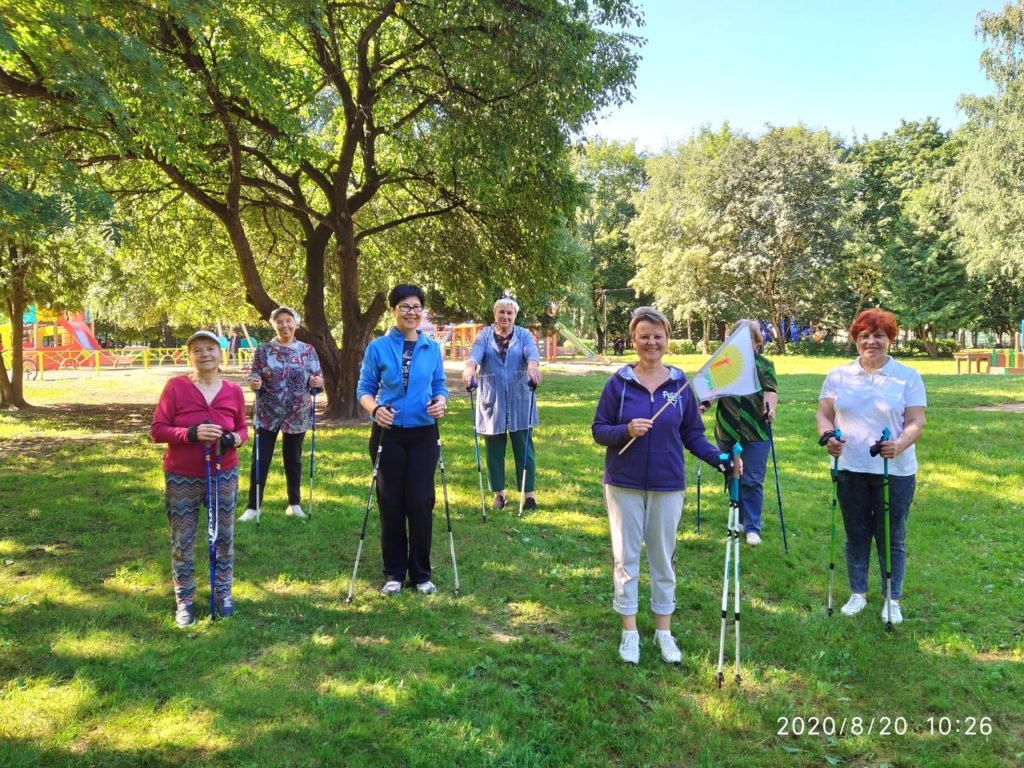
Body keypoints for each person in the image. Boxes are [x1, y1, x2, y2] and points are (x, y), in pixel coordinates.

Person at [592, 307, 738, 665]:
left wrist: (719, 459)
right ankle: (629, 632)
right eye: (644, 336)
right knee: (626, 558)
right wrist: (626, 430)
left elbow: (693, 434)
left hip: (667, 483)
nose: (651, 342)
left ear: (667, 339)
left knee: (662, 560)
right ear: (634, 339)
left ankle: (663, 631)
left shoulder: (680, 385)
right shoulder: (618, 383)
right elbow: (599, 430)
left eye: (658, 336)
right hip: (623, 483)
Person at [815, 309, 926, 626]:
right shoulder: (839, 375)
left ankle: (892, 599)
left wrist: (899, 444)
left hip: (895, 470)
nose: (871, 342)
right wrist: (827, 436)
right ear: (855, 340)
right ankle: (857, 593)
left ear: (890, 339)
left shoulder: (907, 376)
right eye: (864, 336)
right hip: (849, 466)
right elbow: (824, 413)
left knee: (892, 537)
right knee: (856, 533)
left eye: (879, 335)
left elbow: (916, 421)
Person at [150, 330, 248, 627]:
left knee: (224, 536)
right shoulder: (175, 387)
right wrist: (190, 434)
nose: (205, 354)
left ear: (220, 353)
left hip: (223, 472)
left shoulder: (233, 390)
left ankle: (223, 593)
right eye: (198, 350)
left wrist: (234, 439)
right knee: (183, 539)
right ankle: (185, 600)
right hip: (182, 475)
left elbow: (243, 429)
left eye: (210, 348)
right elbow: (158, 430)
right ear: (189, 356)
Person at [357, 284, 449, 596]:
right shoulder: (378, 348)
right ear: (393, 310)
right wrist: (375, 409)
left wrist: (440, 402)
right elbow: (364, 389)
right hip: (389, 433)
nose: (411, 312)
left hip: (424, 434)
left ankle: (421, 574)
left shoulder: (432, 348)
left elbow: (440, 385)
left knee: (420, 501)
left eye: (416, 307)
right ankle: (394, 572)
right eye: (405, 307)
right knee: (391, 501)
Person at [238, 306, 324, 522]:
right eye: (279, 322)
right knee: (260, 459)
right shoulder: (263, 350)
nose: (284, 325)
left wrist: (317, 382)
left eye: (288, 320)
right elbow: (254, 376)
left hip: (297, 414)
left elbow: (317, 378)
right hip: (267, 413)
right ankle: (253, 507)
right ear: (274, 325)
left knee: (293, 459)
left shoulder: (307, 350)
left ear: (296, 323)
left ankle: (294, 504)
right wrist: (253, 382)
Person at [461, 296, 542, 510]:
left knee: (524, 448)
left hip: (519, 397)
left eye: (509, 313)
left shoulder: (524, 335)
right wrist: (470, 367)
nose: (505, 316)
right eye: (501, 312)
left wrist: (532, 365)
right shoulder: (484, 335)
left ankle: (529, 494)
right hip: (492, 398)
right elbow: (476, 354)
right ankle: (499, 493)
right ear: (494, 314)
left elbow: (531, 352)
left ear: (515, 315)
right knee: (494, 449)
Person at [703, 319, 778, 546]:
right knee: (733, 475)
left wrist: (770, 409)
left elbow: (770, 391)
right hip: (726, 429)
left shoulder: (764, 365)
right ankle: (739, 518)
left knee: (752, 480)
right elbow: (713, 391)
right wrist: (703, 405)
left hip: (756, 431)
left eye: (749, 339)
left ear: (757, 341)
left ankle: (752, 526)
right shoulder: (723, 364)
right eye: (739, 338)